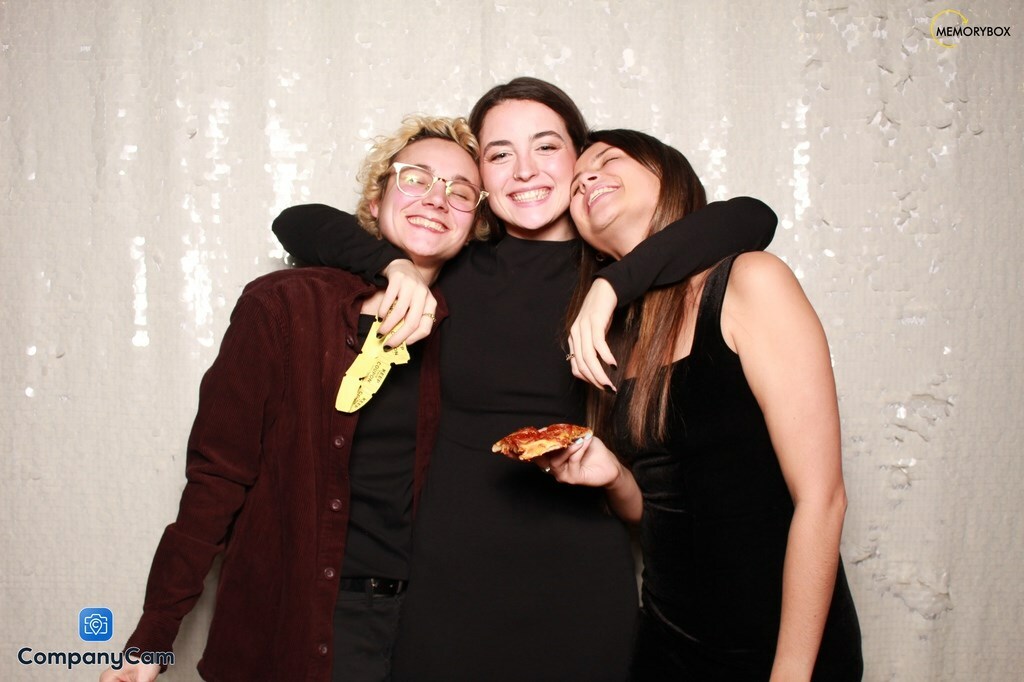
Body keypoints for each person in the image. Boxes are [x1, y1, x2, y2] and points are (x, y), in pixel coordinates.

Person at [272, 77, 778, 681]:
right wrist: (395, 265)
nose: (524, 170)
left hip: (580, 592)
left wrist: (610, 286)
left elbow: (752, 217)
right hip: (443, 591)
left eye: (546, 146)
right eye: (499, 153)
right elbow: (296, 221)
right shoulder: (450, 262)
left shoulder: (630, 279)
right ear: (481, 180)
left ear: (579, 159)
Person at [99, 115, 488, 682]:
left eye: (461, 191)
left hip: (425, 629)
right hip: (297, 623)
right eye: (416, 178)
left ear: (474, 222)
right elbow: (218, 476)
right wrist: (153, 636)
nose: (436, 198)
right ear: (375, 200)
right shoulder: (287, 305)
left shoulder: (474, 328)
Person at [540, 129, 863, 680]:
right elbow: (661, 512)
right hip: (666, 645)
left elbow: (822, 499)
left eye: (609, 160)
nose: (587, 178)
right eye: (575, 185)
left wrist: (790, 673)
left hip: (777, 650)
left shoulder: (749, 282)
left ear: (669, 178)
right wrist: (614, 476)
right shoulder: (619, 338)